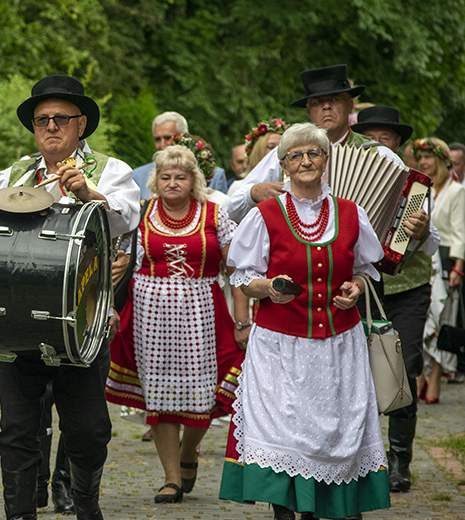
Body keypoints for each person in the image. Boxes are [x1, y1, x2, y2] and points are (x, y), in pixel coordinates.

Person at [0, 74, 140, 520]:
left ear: (81, 124)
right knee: (16, 430)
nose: (50, 126)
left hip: (82, 324)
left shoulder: (111, 171)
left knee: (88, 430)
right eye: (41, 120)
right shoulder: (9, 176)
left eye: (61, 119)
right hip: (17, 323)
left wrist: (89, 195)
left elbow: (127, 218)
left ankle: (86, 504)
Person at [219, 123, 390, 520]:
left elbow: (366, 268)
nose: (306, 161)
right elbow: (242, 277)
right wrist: (268, 288)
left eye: (314, 153)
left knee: (334, 432)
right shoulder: (265, 215)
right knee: (283, 430)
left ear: (326, 161)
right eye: (296, 155)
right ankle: (284, 511)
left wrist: (356, 288)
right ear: (284, 165)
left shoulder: (351, 213)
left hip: (338, 343)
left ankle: (330, 508)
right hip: (280, 345)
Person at [105, 144, 248, 503]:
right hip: (150, 316)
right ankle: (171, 477)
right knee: (161, 396)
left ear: (194, 180)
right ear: (156, 181)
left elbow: (238, 270)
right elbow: (118, 266)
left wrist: (243, 319)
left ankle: (189, 452)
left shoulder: (216, 214)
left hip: (203, 312)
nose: (172, 182)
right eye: (166, 176)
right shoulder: (141, 215)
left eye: (180, 176)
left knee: (210, 392)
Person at [351, 105, 439, 492]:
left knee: (400, 367)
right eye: (368, 138)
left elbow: (433, 243)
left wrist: (419, 231)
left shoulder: (413, 186)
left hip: (406, 288)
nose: (377, 146)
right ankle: (360, 456)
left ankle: (399, 458)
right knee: (356, 370)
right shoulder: (346, 174)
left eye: (384, 138)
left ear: (398, 144)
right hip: (360, 288)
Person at [228, 64, 404, 224]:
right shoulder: (286, 153)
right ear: (308, 110)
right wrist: (254, 193)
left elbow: (411, 208)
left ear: (350, 105)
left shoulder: (379, 154)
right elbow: (232, 208)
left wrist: (419, 228)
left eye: (334, 100)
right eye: (318, 102)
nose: (326, 107)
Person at [417, 137, 465, 404]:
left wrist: (459, 266)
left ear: (442, 160)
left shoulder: (456, 191)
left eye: (429, 158)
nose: (424, 163)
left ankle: (434, 376)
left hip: (446, 260)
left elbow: (460, 231)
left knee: (441, 316)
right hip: (424, 259)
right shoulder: (421, 189)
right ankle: (420, 376)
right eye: (421, 158)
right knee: (424, 319)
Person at [133, 111, 228, 199]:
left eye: (168, 138)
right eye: (157, 139)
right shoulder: (138, 176)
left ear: (184, 138)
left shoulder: (215, 176)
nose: (162, 145)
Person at [227, 118, 287, 198]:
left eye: (281, 147)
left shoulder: (293, 184)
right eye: (271, 147)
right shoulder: (239, 187)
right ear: (258, 151)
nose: (276, 152)